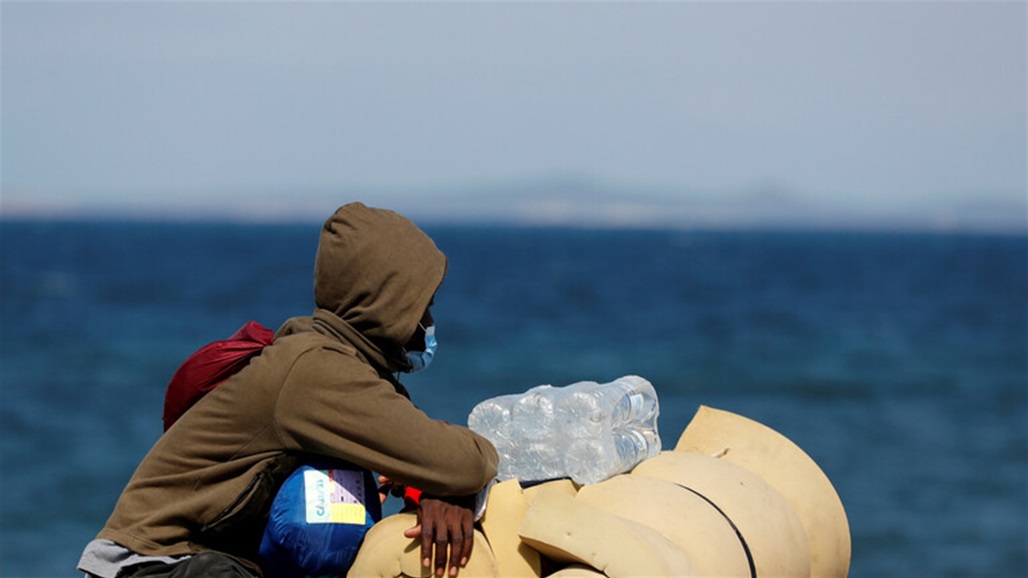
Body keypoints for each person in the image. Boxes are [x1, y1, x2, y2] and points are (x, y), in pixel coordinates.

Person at [78, 203, 499, 578]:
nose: (427, 320)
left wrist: (432, 490)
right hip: (151, 563)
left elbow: (423, 455)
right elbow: (464, 461)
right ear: (387, 303)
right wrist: (451, 478)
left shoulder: (342, 368)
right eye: (421, 304)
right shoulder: (316, 373)